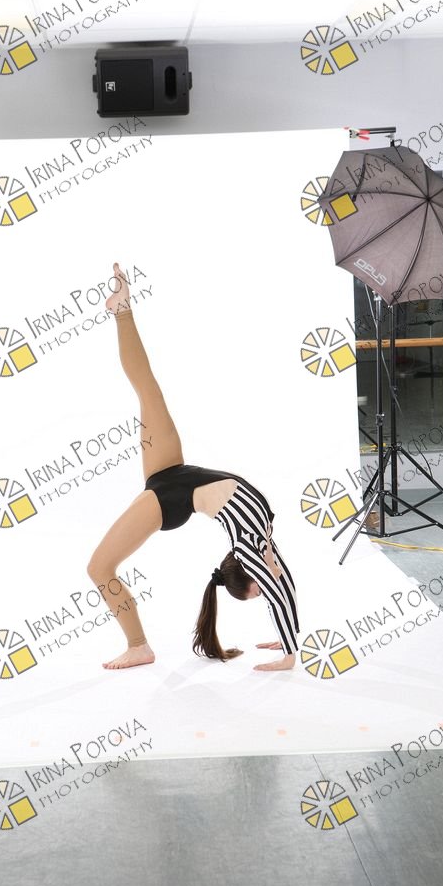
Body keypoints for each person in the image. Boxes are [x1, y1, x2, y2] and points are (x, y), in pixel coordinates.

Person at [87, 262, 300, 672]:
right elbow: (282, 584)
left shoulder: (252, 544)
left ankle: (138, 645)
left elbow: (279, 586)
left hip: (169, 500)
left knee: (99, 567)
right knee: (147, 388)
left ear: (250, 572)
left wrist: (289, 648)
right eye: (260, 591)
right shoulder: (261, 543)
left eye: (257, 590)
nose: (267, 585)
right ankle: (122, 308)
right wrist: (287, 643)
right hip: (173, 472)